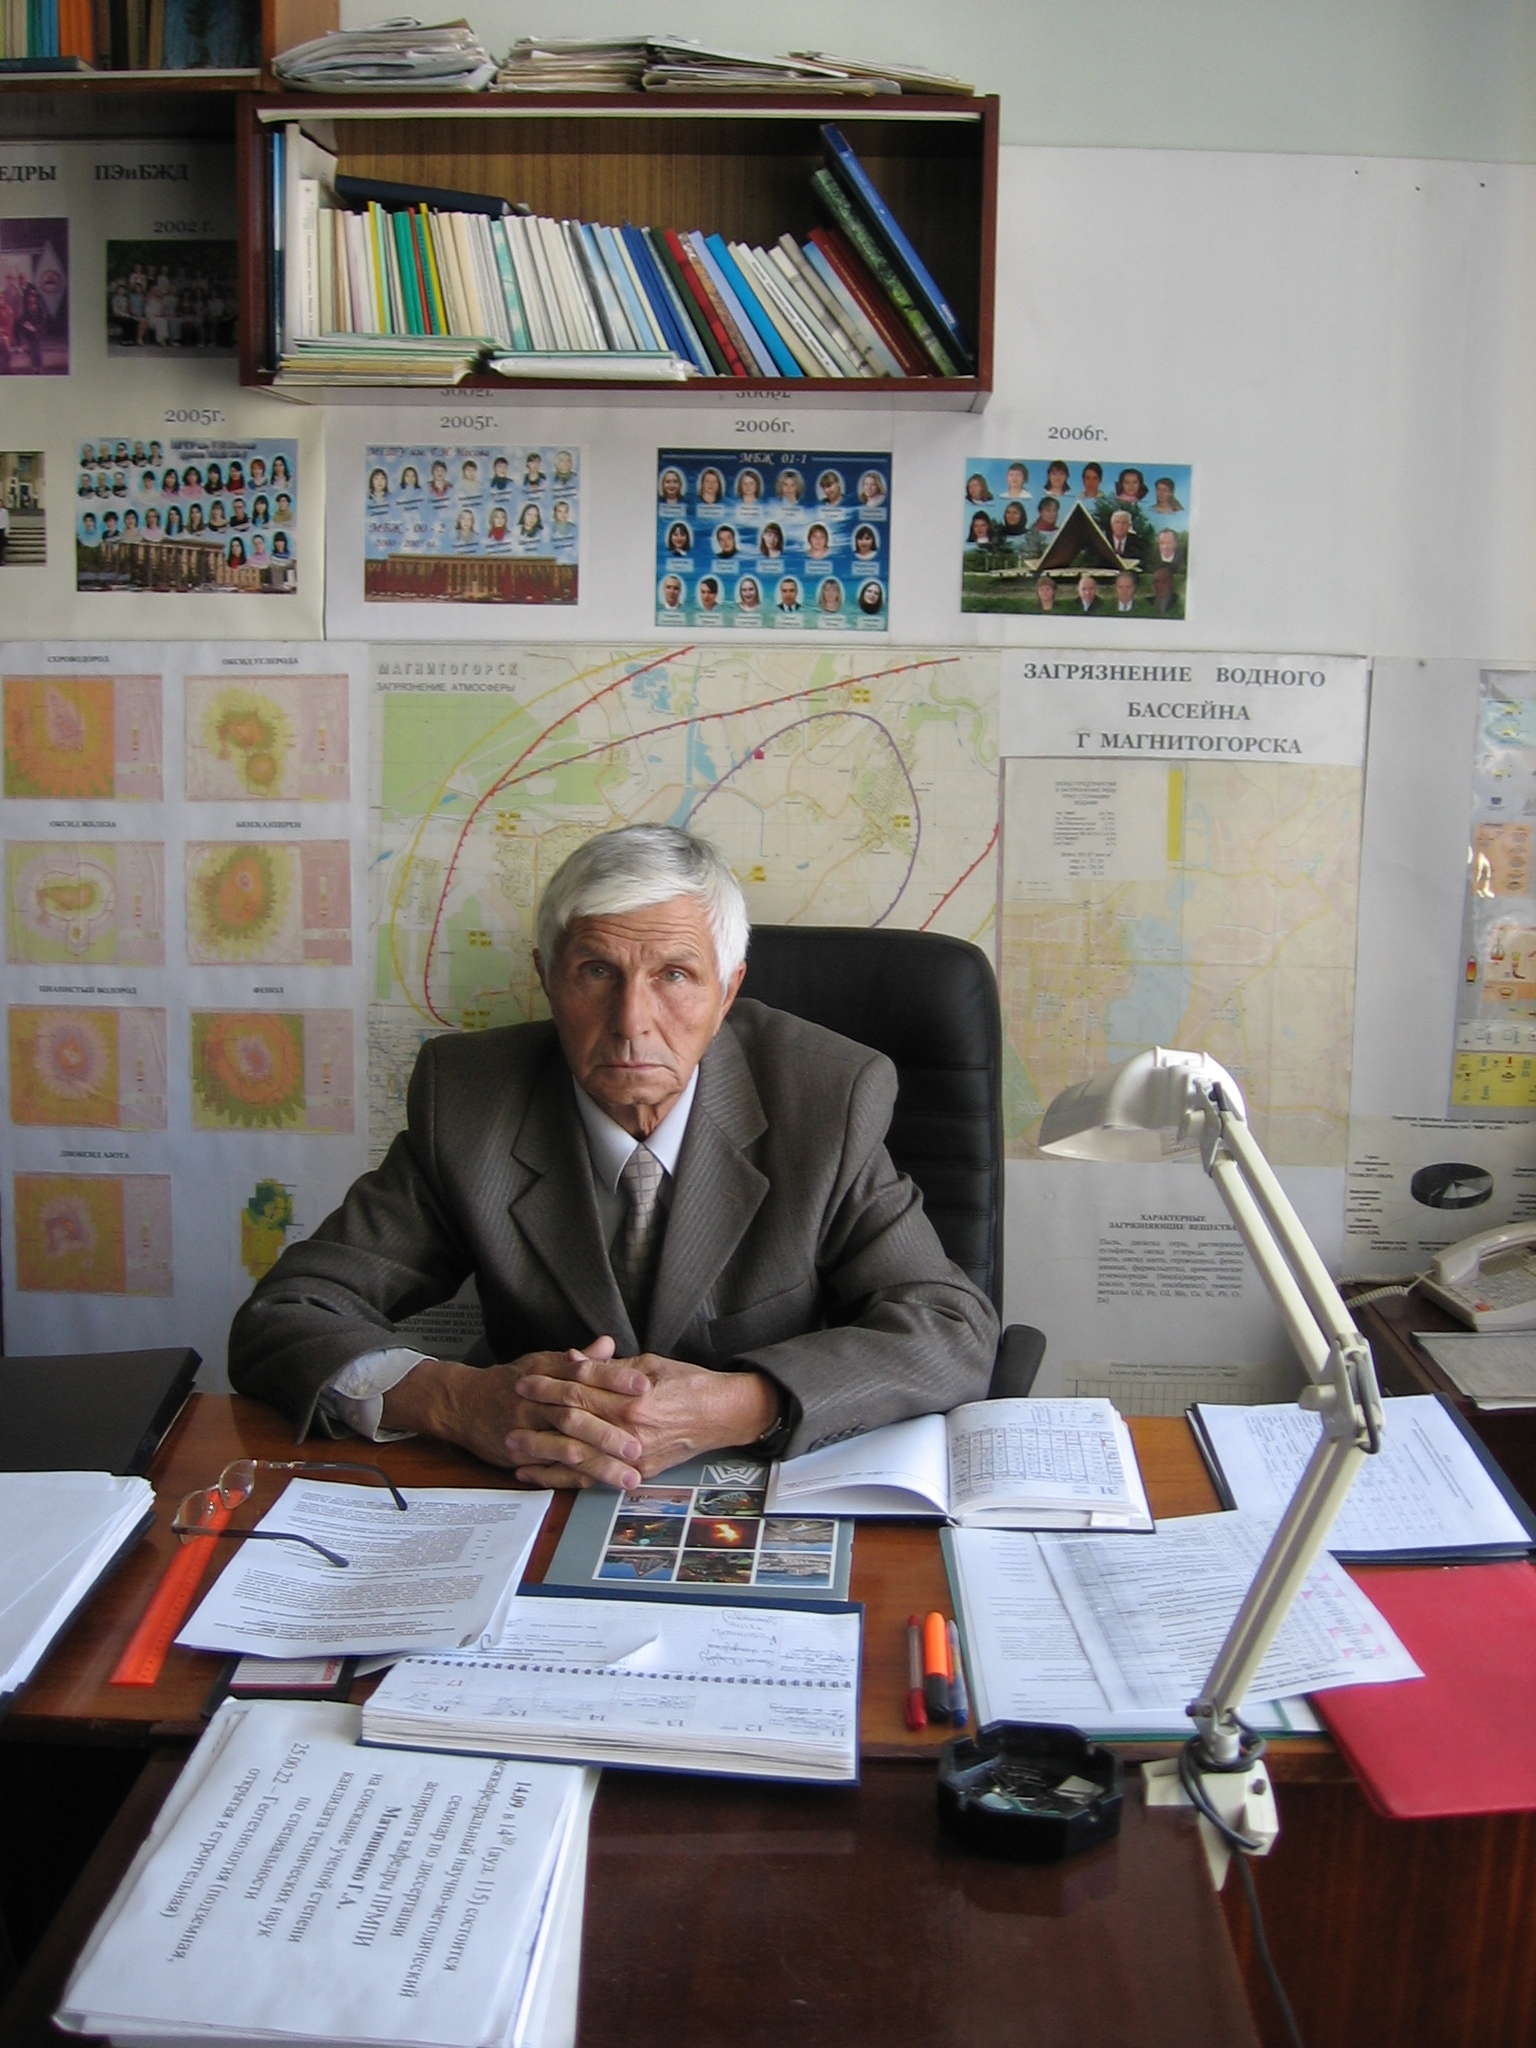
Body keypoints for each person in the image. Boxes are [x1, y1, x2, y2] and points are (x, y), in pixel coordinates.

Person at [228, 825, 997, 1476]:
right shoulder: (468, 1101)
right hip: (534, 1490)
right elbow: (285, 1315)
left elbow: (951, 1328)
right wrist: (457, 1402)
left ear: (727, 992)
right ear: (546, 979)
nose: (632, 1021)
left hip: (758, 1491)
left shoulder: (826, 1097)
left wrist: (743, 1404)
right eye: (597, 972)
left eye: (675, 976)